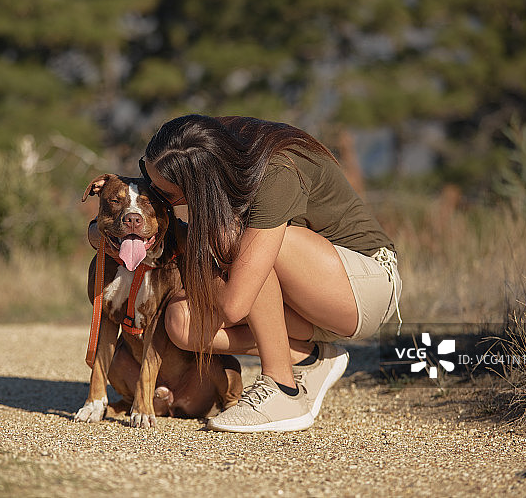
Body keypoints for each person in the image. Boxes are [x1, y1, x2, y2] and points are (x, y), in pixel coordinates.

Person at [90, 114, 401, 433]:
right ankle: (310, 358)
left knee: (247, 244)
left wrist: (176, 237)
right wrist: (111, 235)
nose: (155, 197)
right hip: (303, 299)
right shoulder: (205, 147)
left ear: (196, 182)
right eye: (146, 174)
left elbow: (235, 304)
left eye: (165, 195)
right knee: (182, 322)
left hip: (364, 284)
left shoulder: (277, 170)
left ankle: (283, 390)